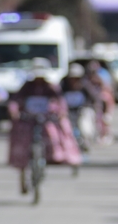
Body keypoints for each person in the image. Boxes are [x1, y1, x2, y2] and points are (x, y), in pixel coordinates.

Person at [7, 58, 83, 193]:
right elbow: (16, 101)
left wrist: (60, 112)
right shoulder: (27, 87)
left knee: (54, 133)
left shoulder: (51, 87)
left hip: (45, 119)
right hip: (28, 119)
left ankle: (56, 156)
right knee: (21, 140)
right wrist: (15, 111)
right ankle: (23, 174)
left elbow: (60, 101)